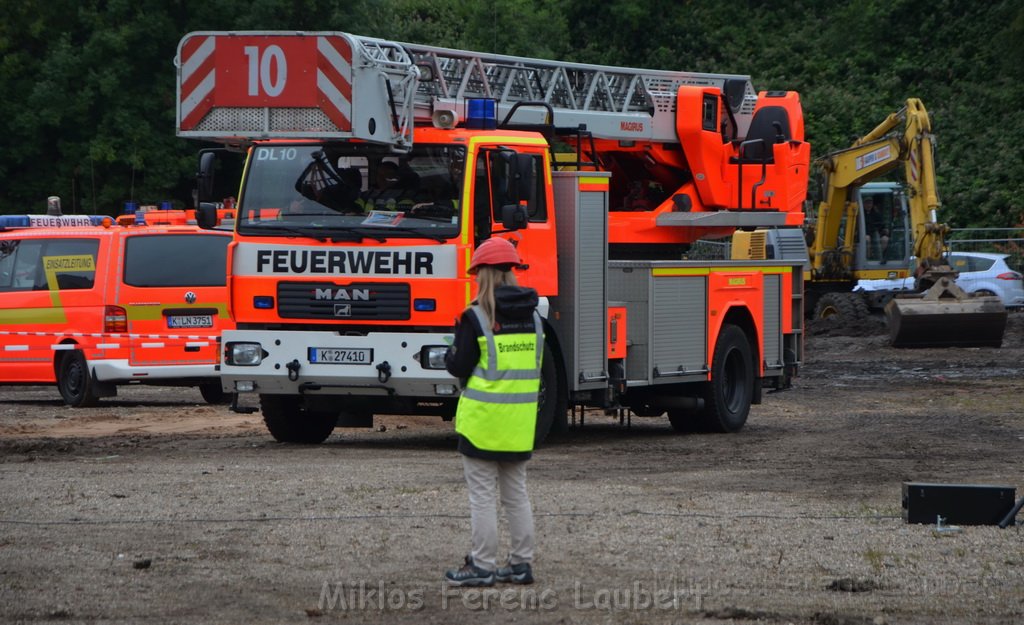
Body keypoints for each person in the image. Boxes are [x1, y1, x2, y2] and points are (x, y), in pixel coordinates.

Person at [443, 237, 543, 587]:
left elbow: (458, 365)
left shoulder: (476, 316)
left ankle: (482, 565)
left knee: (482, 496)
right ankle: (520, 564)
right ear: (511, 271)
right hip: (519, 424)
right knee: (516, 494)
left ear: (482, 273)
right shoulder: (535, 318)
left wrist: (449, 352)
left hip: (483, 423)